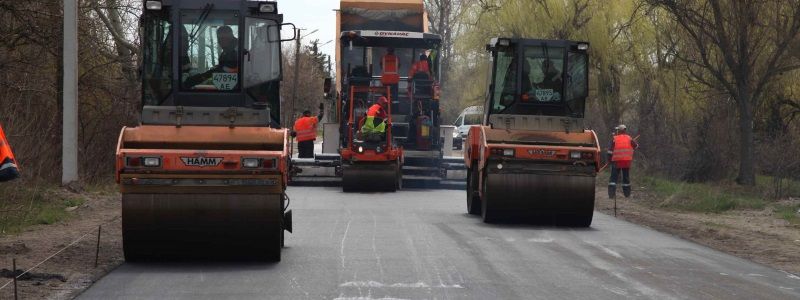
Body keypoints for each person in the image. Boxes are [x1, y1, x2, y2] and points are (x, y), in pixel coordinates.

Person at [608, 124, 638, 198]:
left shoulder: (614, 139)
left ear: (619, 131)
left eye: (617, 130)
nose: (617, 131)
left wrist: (609, 161)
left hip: (616, 161)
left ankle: (611, 194)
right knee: (626, 177)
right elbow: (636, 146)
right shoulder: (629, 138)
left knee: (613, 178)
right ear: (625, 131)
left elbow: (610, 151)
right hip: (626, 161)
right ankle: (627, 194)